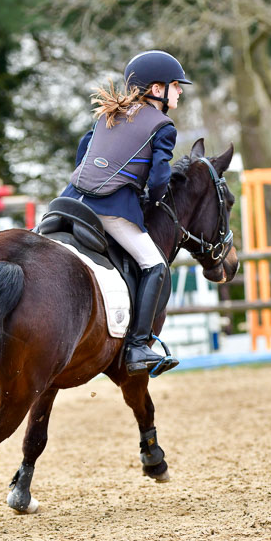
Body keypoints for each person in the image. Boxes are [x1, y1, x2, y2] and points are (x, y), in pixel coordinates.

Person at [61, 50, 192, 375]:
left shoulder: (108, 114)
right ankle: (136, 347)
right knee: (156, 265)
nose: (180, 91)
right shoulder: (163, 125)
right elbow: (161, 176)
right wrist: (150, 203)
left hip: (68, 202)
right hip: (111, 209)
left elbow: (83, 150)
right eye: (176, 85)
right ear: (157, 89)